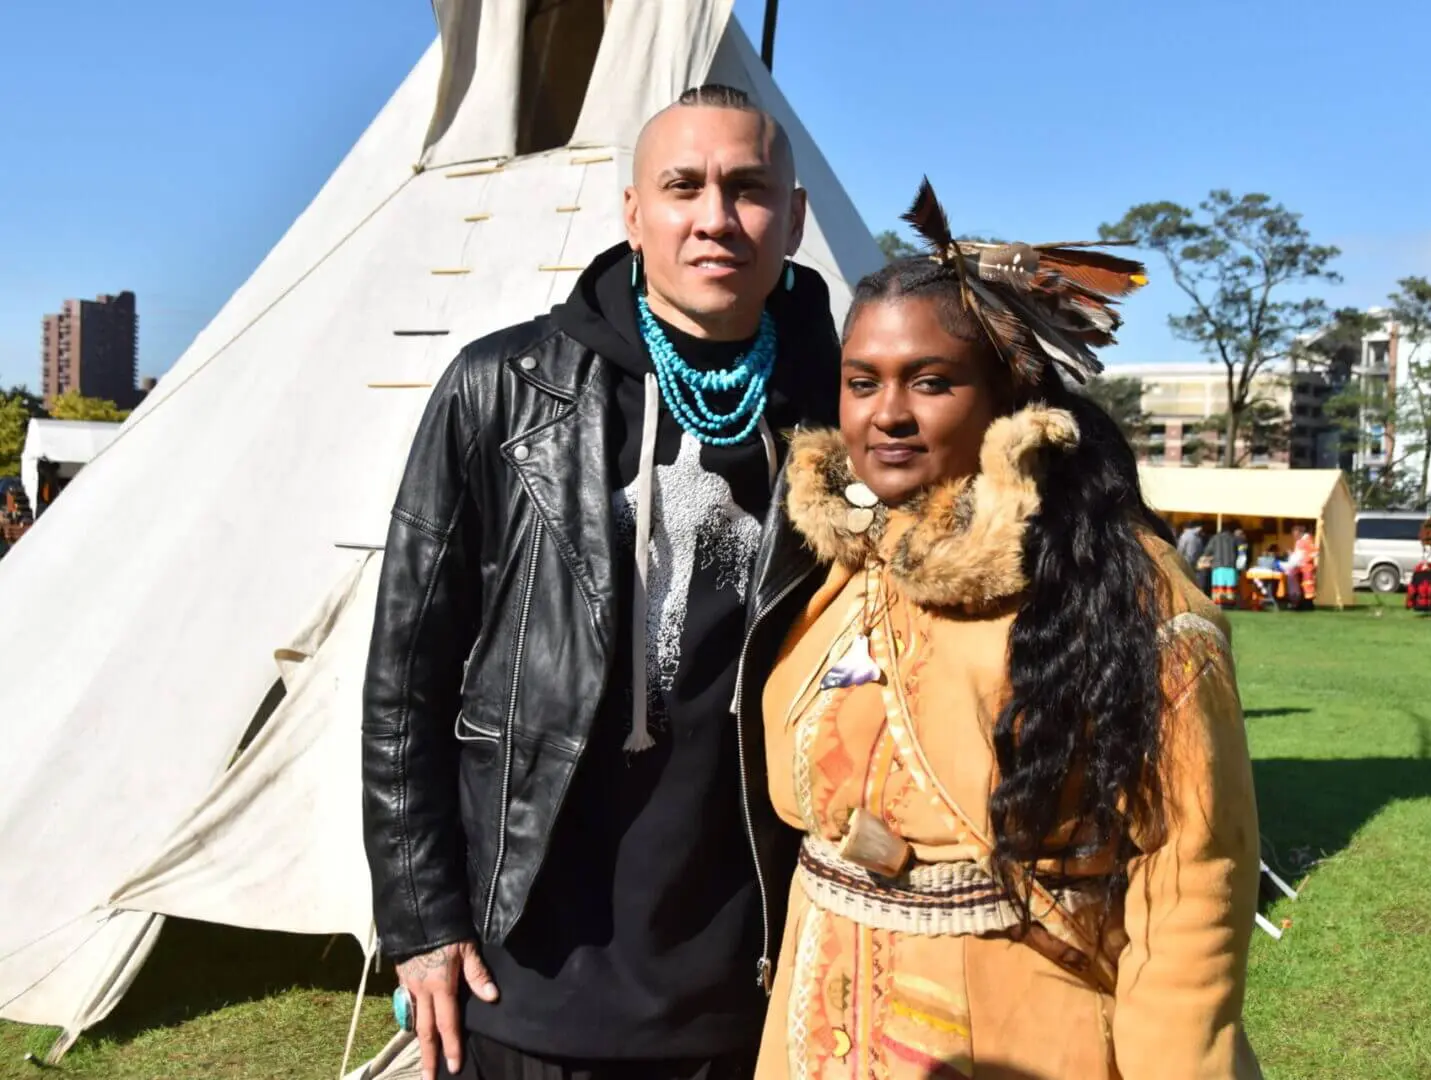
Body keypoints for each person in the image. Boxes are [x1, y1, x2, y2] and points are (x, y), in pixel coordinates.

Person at [362, 85, 842, 1080]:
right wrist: (419, 921)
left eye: (750, 189)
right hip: (523, 982)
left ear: (794, 216)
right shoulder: (503, 392)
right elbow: (404, 680)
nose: (716, 216)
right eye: (683, 186)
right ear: (633, 211)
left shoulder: (846, 419)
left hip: (749, 986)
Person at [754, 190, 1262, 1078]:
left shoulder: (1128, 597)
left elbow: (1191, 888)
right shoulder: (839, 565)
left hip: (1023, 1032)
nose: (889, 414)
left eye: (932, 380)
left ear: (1009, 395)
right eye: (863, 381)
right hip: (821, 1023)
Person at [1283, 523, 1318, 610]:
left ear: (1300, 532)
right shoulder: (1299, 541)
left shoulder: (1307, 540)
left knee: (1307, 587)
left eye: (1295, 532)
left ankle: (1307, 605)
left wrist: (1305, 560)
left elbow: (1314, 553)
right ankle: (1298, 602)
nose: (1293, 535)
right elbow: (1297, 554)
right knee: (1300, 585)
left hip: (1306, 568)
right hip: (1299, 567)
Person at [1208, 524, 1241, 609]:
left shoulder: (1215, 538)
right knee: (1230, 586)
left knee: (1219, 586)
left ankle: (1219, 603)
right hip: (1231, 566)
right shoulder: (1234, 538)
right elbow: (1238, 552)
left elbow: (1208, 550)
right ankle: (1230, 603)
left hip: (1218, 566)